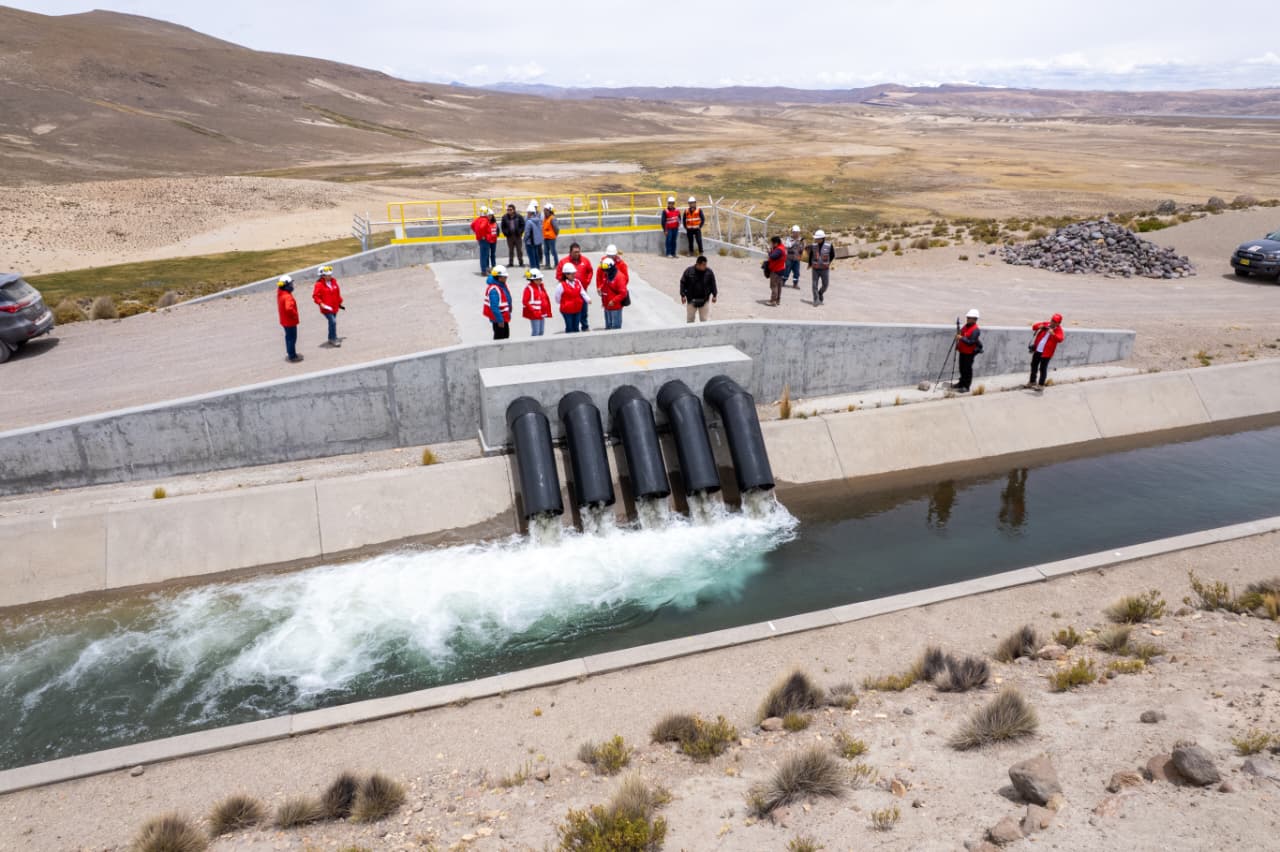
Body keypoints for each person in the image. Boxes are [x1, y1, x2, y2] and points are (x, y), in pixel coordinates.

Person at [557, 243, 594, 331]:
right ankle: (571, 328)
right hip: (569, 293)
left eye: (578, 252)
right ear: (570, 252)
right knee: (572, 311)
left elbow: (590, 271)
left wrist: (587, 282)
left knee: (584, 310)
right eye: (575, 252)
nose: (577, 254)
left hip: (581, 289)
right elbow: (559, 275)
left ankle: (584, 326)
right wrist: (566, 286)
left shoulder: (585, 260)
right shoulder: (564, 262)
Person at [1027, 313, 1065, 391]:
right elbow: (1034, 327)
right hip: (1037, 350)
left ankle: (1041, 385)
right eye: (1052, 320)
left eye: (1055, 321)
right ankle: (1032, 382)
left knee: (1042, 369)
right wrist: (1039, 326)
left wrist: (1053, 334)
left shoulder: (1059, 330)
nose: (1052, 322)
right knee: (1033, 365)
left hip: (1047, 353)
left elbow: (1060, 339)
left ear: (1059, 323)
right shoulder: (1046, 324)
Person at [679, 255, 718, 323]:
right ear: (698, 264)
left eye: (706, 264)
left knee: (704, 320)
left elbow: (713, 283)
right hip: (691, 300)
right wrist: (683, 295)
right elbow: (683, 282)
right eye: (704, 265)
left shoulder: (709, 272)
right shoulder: (689, 271)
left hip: (704, 300)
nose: (705, 266)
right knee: (690, 320)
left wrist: (714, 295)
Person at [312, 265, 343, 346]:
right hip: (326, 308)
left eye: (330, 275)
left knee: (331, 323)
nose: (330, 276)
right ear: (323, 276)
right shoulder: (318, 285)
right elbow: (315, 296)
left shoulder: (333, 281)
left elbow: (337, 292)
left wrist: (339, 302)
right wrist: (320, 303)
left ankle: (330, 338)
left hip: (334, 306)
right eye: (328, 275)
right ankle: (334, 339)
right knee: (333, 322)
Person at [952, 308, 982, 392]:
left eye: (969, 318)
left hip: (969, 353)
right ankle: (961, 383)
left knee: (967, 370)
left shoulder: (976, 330)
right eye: (967, 317)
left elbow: (971, 342)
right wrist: (959, 338)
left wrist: (961, 338)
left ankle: (966, 386)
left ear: (975, 319)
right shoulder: (966, 326)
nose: (967, 319)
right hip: (962, 351)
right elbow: (962, 333)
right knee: (961, 368)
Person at [555, 264, 589, 333]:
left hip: (577, 309)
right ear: (566, 275)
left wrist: (587, 299)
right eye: (571, 274)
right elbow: (557, 297)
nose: (574, 275)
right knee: (570, 327)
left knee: (576, 327)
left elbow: (582, 292)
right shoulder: (561, 285)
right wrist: (564, 303)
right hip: (567, 310)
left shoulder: (577, 282)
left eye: (574, 273)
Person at [483, 265, 513, 340]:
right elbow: (494, 307)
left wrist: (510, 307)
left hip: (504, 316)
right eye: (505, 277)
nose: (506, 278)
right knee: (499, 338)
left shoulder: (502, 285)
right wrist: (500, 320)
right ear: (499, 278)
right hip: (498, 319)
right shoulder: (494, 289)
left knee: (506, 335)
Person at [276, 275, 302, 362]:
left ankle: (289, 351)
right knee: (292, 338)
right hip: (290, 321)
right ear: (286, 285)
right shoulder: (288, 297)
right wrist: (295, 315)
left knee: (288, 337)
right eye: (291, 284)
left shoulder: (280, 293)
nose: (292, 286)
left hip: (284, 321)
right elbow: (289, 308)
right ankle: (292, 355)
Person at [599, 257, 629, 329]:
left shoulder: (619, 277)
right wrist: (601, 290)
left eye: (606, 270)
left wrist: (613, 301)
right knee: (608, 327)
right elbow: (606, 287)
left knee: (615, 328)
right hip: (607, 307)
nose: (605, 272)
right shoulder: (608, 275)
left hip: (615, 308)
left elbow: (623, 293)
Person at [808, 229, 834, 306]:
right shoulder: (814, 246)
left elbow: (832, 255)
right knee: (814, 285)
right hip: (815, 269)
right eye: (815, 238)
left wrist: (827, 263)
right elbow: (810, 256)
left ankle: (820, 293)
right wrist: (810, 263)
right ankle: (816, 299)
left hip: (824, 269)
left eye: (817, 238)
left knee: (825, 285)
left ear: (822, 238)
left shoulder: (829, 245)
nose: (815, 239)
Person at [522, 268, 552, 336]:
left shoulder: (541, 287)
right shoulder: (528, 288)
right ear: (532, 280)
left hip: (542, 312)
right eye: (537, 279)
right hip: (534, 314)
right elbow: (525, 301)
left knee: (541, 331)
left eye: (540, 279)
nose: (540, 281)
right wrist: (533, 311)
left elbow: (545, 299)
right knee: (536, 331)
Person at [471, 205, 494, 275]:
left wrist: (477, 234)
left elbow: (472, 225)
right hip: (485, 240)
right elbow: (482, 227)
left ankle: (485, 269)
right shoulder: (485, 220)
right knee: (484, 255)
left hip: (481, 239)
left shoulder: (477, 219)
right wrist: (483, 236)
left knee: (483, 255)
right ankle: (484, 270)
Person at [765, 236, 787, 306]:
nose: (771, 244)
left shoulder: (778, 250)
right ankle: (777, 300)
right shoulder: (782, 247)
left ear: (776, 243)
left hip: (776, 270)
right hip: (781, 269)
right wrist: (772, 249)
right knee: (779, 286)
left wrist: (769, 252)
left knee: (774, 286)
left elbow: (772, 256)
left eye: (772, 243)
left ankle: (773, 301)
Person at [523, 201, 544, 270]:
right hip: (536, 242)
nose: (527, 214)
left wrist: (525, 240)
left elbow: (527, 233)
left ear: (530, 213)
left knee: (531, 257)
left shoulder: (529, 222)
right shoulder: (538, 220)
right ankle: (537, 268)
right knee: (536, 256)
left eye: (528, 212)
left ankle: (533, 270)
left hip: (530, 242)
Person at [542, 202, 560, 268]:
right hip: (546, 238)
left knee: (553, 252)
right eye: (544, 210)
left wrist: (554, 235)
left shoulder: (552, 218)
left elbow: (556, 229)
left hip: (551, 238)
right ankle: (547, 265)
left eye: (546, 210)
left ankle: (557, 264)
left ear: (550, 211)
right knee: (546, 252)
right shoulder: (545, 218)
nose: (544, 211)